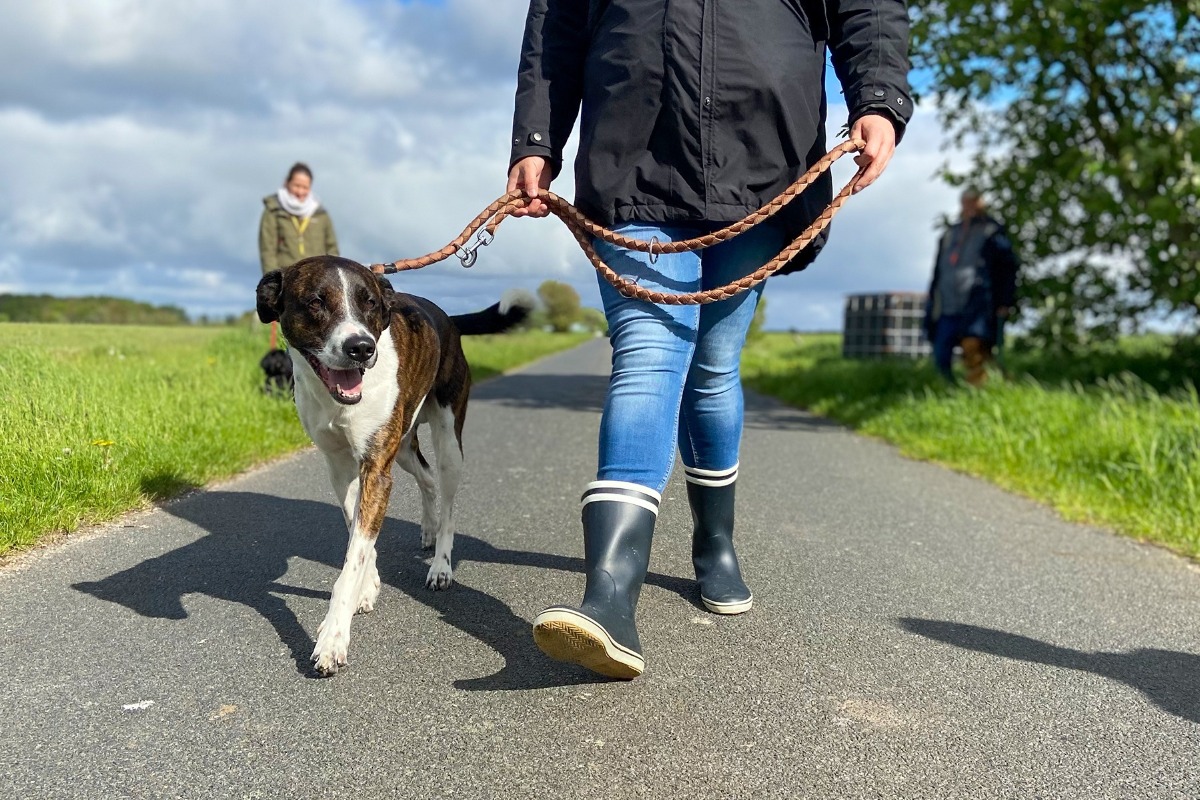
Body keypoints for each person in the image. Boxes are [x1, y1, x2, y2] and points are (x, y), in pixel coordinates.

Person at [506, 0, 913, 679]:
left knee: (715, 367)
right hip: (632, 151)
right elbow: (556, 23)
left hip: (762, 158)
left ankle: (714, 542)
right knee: (647, 355)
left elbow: (867, 7)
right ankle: (609, 597)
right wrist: (535, 140)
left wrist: (878, 97)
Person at [924, 187, 1020, 386]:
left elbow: (1007, 269)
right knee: (941, 350)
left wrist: (1005, 301)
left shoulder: (992, 232)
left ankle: (978, 391)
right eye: (966, 201)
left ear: (982, 204)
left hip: (977, 303)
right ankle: (945, 389)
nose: (970, 206)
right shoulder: (950, 233)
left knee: (974, 346)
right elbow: (938, 270)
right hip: (947, 303)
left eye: (974, 201)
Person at [258, 162, 339, 347]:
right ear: (287, 183)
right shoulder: (273, 211)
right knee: (288, 335)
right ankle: (287, 372)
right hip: (289, 281)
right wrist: (276, 287)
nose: (301, 191)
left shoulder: (320, 214)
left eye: (305, 187)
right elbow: (268, 249)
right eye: (297, 186)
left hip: (320, 283)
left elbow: (332, 248)